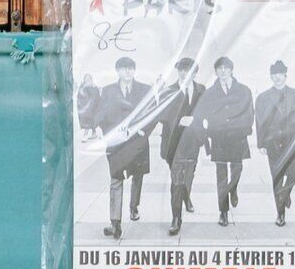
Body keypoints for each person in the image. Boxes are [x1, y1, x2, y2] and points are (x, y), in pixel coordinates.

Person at [79, 53, 154, 238]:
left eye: (131, 68)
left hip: (138, 141)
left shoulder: (145, 89)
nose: (128, 71)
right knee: (116, 180)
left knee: (137, 177)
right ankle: (115, 224)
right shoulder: (108, 90)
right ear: (118, 71)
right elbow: (101, 112)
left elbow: (152, 113)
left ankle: (133, 206)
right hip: (117, 143)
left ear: (134, 70)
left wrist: (143, 132)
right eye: (124, 68)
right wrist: (104, 132)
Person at [254, 58, 295, 228]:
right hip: (273, 143)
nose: (277, 78)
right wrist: (261, 143)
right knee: (277, 178)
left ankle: (285, 194)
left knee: (294, 174)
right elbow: (259, 121)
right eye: (274, 75)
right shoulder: (263, 98)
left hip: (293, 142)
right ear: (270, 77)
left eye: (280, 74)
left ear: (285, 75)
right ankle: (280, 213)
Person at [198, 55, 258, 225]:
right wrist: (208, 130)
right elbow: (204, 113)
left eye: (226, 68)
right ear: (216, 72)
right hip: (219, 138)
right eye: (219, 68)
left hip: (238, 136)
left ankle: (232, 189)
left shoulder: (244, 90)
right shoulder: (210, 93)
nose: (223, 71)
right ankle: (223, 211)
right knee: (221, 174)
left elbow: (250, 112)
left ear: (232, 70)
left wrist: (245, 129)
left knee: (238, 168)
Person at [155, 55, 206, 237]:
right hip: (173, 144)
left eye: (188, 69)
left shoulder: (201, 90)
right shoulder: (168, 91)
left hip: (193, 142)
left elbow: (206, 111)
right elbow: (161, 115)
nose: (184, 73)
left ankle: (186, 197)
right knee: (177, 179)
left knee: (189, 174)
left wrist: (196, 120)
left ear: (194, 72)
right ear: (178, 71)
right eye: (181, 69)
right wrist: (179, 121)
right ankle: (176, 218)